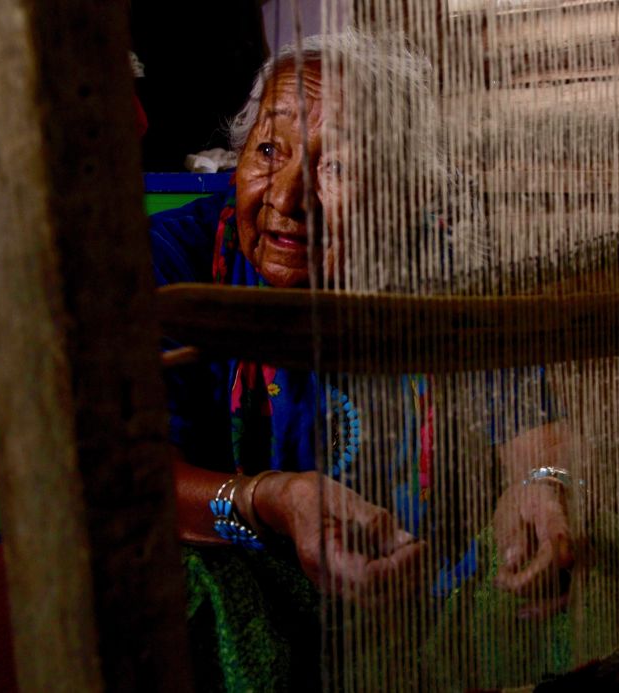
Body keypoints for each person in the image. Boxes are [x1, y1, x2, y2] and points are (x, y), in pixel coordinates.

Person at [151, 29, 578, 688]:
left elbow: (525, 412)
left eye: (337, 166)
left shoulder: (440, 262)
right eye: (270, 150)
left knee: (588, 560)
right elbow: (135, 474)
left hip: (426, 581)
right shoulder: (173, 258)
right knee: (180, 584)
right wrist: (274, 500)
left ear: (401, 197)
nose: (288, 200)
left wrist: (541, 485)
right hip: (257, 566)